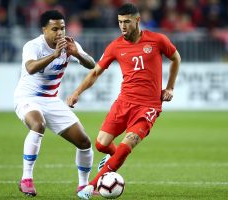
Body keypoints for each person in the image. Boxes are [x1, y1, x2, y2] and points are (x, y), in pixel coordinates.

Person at [67, 3, 181, 200]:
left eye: (127, 22)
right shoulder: (115, 46)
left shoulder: (157, 40)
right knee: (102, 144)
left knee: (126, 145)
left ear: (137, 20)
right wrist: (77, 92)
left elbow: (176, 58)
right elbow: (95, 72)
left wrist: (169, 87)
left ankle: (91, 187)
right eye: (120, 22)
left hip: (148, 107)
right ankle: (114, 159)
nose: (123, 26)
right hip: (123, 102)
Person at [14, 10, 95, 197]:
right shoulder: (33, 46)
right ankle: (26, 179)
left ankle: (83, 187)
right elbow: (31, 68)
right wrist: (54, 55)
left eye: (63, 28)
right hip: (27, 97)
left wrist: (78, 54)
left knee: (84, 142)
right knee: (38, 124)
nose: (60, 33)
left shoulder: (69, 44)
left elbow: (92, 65)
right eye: (55, 29)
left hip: (51, 100)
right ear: (44, 30)